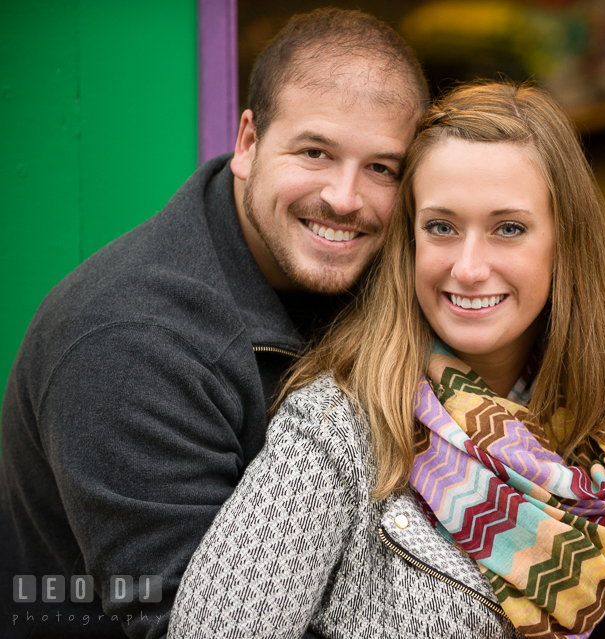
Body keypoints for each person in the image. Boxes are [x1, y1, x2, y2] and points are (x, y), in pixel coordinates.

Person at [167, 82, 605, 639]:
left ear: (565, 242)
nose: (469, 267)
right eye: (442, 226)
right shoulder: (342, 424)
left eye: (508, 227)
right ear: (409, 240)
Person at [0, 9, 427, 639]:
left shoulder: (384, 274)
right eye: (315, 152)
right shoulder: (129, 343)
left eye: (381, 168)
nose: (345, 198)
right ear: (249, 144)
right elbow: (198, 625)